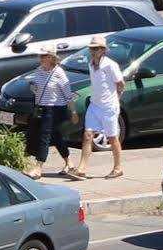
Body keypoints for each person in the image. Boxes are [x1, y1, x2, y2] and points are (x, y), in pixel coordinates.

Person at [72, 37, 127, 180]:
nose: (93, 51)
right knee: (87, 135)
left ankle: (118, 167)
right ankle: (81, 169)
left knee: (112, 137)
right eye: (91, 48)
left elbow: (120, 84)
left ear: (103, 50)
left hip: (109, 106)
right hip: (95, 104)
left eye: (96, 48)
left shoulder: (110, 65)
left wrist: (116, 99)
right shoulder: (90, 64)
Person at [22, 50, 74, 178]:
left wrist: (73, 111)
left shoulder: (59, 73)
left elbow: (68, 95)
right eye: (40, 56)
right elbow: (33, 83)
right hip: (41, 107)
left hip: (55, 108)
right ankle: (70, 163)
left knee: (44, 136)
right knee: (55, 136)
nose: (41, 58)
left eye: (44, 56)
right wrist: (32, 87)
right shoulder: (39, 70)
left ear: (51, 57)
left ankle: (38, 167)